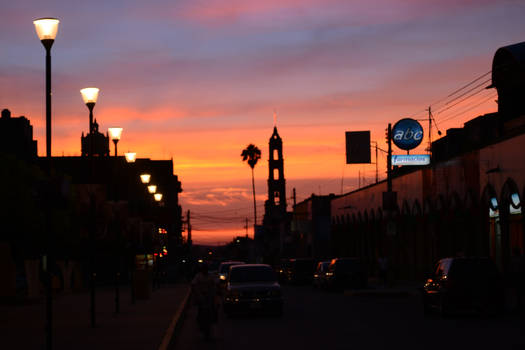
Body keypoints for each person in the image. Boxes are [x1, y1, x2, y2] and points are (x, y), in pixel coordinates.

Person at [191, 263, 218, 340]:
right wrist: (198, 294)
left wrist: (214, 293)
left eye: (206, 269)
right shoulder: (198, 276)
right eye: (204, 269)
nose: (205, 271)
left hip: (210, 297)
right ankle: (200, 323)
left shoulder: (211, 276)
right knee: (200, 312)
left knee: (214, 310)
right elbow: (193, 285)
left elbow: (215, 284)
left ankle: (212, 322)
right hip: (201, 297)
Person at [510, 247, 525, 314]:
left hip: (518, 276)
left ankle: (519, 305)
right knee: (519, 292)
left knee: (518, 292)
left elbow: (513, 269)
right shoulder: (521, 259)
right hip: (519, 276)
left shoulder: (514, 260)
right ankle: (520, 304)